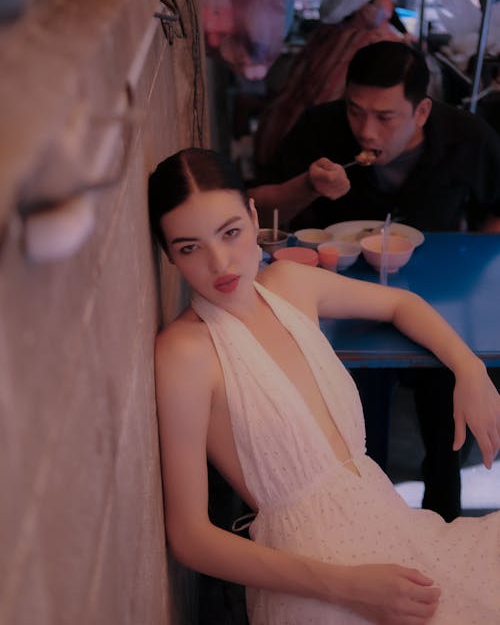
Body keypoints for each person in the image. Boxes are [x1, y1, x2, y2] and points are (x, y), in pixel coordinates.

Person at [149, 146, 500, 624]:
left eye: (230, 232)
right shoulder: (183, 352)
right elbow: (189, 536)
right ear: (169, 256)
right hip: (315, 580)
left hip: (391, 529)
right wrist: (347, 586)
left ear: (254, 216)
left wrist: (470, 370)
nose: (220, 263)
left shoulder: (291, 283)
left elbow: (402, 304)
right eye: (189, 247)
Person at [249, 41, 500, 521]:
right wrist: (307, 184)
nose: (365, 130)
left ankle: (442, 518)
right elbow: (257, 206)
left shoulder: (467, 138)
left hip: (441, 303)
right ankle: (368, 521)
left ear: (422, 110)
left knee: (443, 424)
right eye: (355, 110)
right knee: (357, 424)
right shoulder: (321, 128)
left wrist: (475, 263)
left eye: (385, 117)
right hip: (339, 310)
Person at [254, 0, 400, 168]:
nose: (382, 6)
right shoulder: (374, 43)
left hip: (273, 135)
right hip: (303, 156)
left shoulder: (327, 31)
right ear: (363, 8)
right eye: (377, 0)